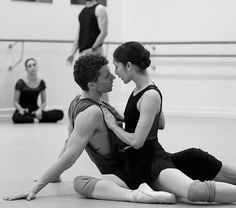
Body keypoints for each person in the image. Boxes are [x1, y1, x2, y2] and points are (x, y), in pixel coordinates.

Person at [4, 54, 236, 204]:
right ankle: (136, 195)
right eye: (107, 75)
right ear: (92, 85)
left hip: (143, 161)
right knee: (81, 182)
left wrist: (54, 177)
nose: (114, 76)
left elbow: (68, 143)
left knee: (197, 161)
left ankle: (141, 193)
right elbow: (70, 153)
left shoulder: (82, 102)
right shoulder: (92, 112)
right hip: (128, 171)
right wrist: (39, 184)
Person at [101, 41, 236, 204]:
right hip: (145, 162)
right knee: (205, 177)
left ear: (129, 65)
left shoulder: (149, 95)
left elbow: (137, 142)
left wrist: (113, 126)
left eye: (117, 66)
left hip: (151, 162)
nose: (116, 73)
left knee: (196, 190)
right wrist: (124, 118)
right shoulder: (142, 89)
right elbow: (160, 123)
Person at [12, 58, 64, 123]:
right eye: (29, 66)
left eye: (34, 65)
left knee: (60, 113)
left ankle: (32, 118)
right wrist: (21, 110)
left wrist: (39, 110)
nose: (32, 67)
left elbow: (44, 102)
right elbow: (15, 102)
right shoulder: (20, 82)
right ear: (26, 69)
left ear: (37, 66)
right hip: (24, 111)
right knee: (16, 118)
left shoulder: (41, 82)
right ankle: (35, 119)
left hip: (35, 110)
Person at [66, 0, 108, 65]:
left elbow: (104, 32)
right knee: (84, 77)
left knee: (98, 77)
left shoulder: (99, 9)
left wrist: (93, 49)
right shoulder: (82, 12)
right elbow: (79, 34)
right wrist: (72, 52)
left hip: (95, 52)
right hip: (83, 53)